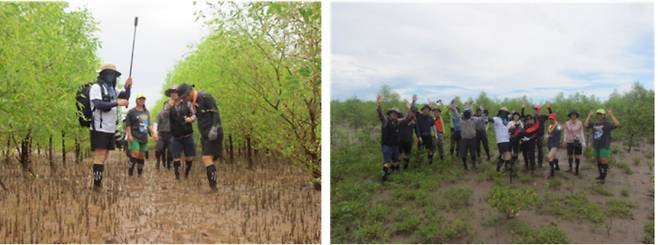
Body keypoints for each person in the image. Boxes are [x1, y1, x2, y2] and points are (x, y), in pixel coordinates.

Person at [88, 64, 132, 191]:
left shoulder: (113, 89)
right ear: (102, 74)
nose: (110, 76)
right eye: (108, 73)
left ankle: (98, 182)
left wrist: (128, 87)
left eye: (113, 74)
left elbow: (125, 97)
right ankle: (96, 185)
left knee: (105, 155)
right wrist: (116, 102)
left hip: (110, 128)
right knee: (100, 155)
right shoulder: (96, 87)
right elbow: (98, 104)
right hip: (99, 127)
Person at [177, 83, 223, 191]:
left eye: (185, 97)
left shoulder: (206, 97)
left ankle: (213, 188)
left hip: (213, 132)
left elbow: (216, 113)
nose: (185, 100)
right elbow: (199, 115)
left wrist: (214, 128)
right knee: (209, 159)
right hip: (205, 134)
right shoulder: (194, 103)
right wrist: (191, 119)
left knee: (206, 158)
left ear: (190, 92)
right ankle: (213, 185)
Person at [125, 93, 158, 176]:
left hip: (143, 136)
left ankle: (139, 174)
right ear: (136, 100)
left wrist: (154, 133)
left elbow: (148, 125)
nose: (141, 101)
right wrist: (129, 135)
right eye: (140, 99)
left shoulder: (146, 112)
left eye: (143, 99)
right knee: (135, 154)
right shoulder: (131, 112)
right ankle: (130, 173)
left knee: (141, 156)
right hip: (134, 136)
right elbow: (128, 125)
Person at [168, 87, 197, 180]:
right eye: (172, 92)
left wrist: (191, 119)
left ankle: (186, 173)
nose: (173, 94)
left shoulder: (187, 103)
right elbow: (162, 117)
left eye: (175, 92)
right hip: (175, 136)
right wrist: (168, 108)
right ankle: (177, 177)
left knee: (190, 158)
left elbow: (194, 114)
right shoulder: (168, 105)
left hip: (188, 135)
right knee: (176, 157)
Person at [585, 109, 620, 184]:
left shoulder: (607, 124)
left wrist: (611, 114)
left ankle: (603, 179)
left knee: (604, 162)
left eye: (601, 114)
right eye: (598, 114)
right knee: (599, 161)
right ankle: (600, 175)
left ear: (604, 115)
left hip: (604, 146)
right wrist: (589, 115)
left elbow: (617, 124)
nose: (599, 115)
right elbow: (585, 125)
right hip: (596, 146)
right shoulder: (594, 123)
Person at [521, 102, 553, 168]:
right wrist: (523, 108)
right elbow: (523, 117)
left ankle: (540, 163)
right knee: (531, 150)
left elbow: (551, 115)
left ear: (540, 109)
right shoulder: (532, 117)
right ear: (534, 110)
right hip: (532, 135)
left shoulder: (543, 117)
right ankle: (532, 163)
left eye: (538, 109)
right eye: (535, 109)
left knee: (540, 149)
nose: (537, 110)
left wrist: (549, 108)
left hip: (540, 135)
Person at [376, 95, 400, 182]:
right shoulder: (386, 121)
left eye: (396, 113)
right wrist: (379, 105)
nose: (394, 114)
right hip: (386, 146)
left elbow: (407, 118)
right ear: (390, 114)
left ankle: (392, 173)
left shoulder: (398, 122)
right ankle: (384, 178)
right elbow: (380, 114)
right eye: (393, 113)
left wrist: (411, 106)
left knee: (396, 161)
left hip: (395, 145)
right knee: (387, 162)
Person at [155, 86, 177, 170]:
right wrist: (155, 132)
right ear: (164, 106)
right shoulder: (160, 113)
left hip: (171, 135)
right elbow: (156, 123)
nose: (167, 106)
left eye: (169, 105)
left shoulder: (173, 113)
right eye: (166, 105)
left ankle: (168, 165)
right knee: (159, 150)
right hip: (161, 134)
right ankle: (158, 160)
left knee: (171, 152)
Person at [399, 99, 419, 170]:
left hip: (409, 140)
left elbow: (417, 130)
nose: (413, 114)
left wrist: (419, 137)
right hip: (400, 140)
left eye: (414, 113)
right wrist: (412, 102)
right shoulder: (403, 118)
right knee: (400, 154)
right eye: (412, 112)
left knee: (407, 154)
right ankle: (397, 168)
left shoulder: (415, 121)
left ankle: (405, 168)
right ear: (409, 112)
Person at [564, 110, 585, 175]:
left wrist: (583, 141)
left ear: (576, 116)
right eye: (572, 115)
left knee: (577, 156)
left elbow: (581, 132)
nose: (573, 116)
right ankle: (570, 168)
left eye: (575, 115)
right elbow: (565, 132)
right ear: (570, 116)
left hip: (577, 141)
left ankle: (576, 169)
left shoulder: (580, 123)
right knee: (569, 155)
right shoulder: (567, 123)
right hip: (569, 141)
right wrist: (564, 140)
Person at [456, 105, 477, 170]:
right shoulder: (461, 121)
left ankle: (474, 164)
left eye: (468, 114)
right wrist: (455, 109)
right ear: (464, 115)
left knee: (473, 153)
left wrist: (470, 107)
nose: (467, 115)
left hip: (472, 139)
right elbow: (457, 115)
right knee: (463, 154)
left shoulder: (473, 120)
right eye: (466, 114)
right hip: (464, 140)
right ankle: (465, 166)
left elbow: (478, 117)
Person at [490, 107, 511, 172]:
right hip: (501, 140)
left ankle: (499, 169)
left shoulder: (506, 120)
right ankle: (503, 168)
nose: (504, 113)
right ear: (500, 112)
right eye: (502, 112)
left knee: (505, 155)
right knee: (506, 154)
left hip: (507, 139)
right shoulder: (496, 119)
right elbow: (491, 119)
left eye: (505, 113)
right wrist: (486, 118)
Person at [415, 100, 436, 165]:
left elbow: (433, 126)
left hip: (428, 136)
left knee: (430, 150)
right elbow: (417, 127)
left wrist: (435, 135)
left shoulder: (430, 118)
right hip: (421, 136)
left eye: (428, 109)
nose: (426, 110)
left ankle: (430, 162)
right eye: (425, 109)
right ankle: (420, 162)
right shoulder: (419, 116)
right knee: (420, 149)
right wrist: (419, 136)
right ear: (423, 110)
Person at [546, 113, 562, 177]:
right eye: (550, 119)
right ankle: (557, 167)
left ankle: (552, 173)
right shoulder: (550, 125)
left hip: (555, 143)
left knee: (549, 156)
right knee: (553, 156)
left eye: (552, 119)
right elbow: (549, 133)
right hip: (550, 143)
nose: (551, 120)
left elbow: (558, 132)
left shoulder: (558, 125)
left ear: (555, 118)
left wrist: (552, 135)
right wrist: (549, 135)